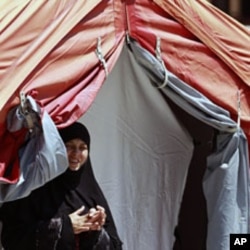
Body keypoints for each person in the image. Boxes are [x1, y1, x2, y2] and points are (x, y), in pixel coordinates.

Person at [0, 122, 123, 250]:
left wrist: (95, 230)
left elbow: (115, 246)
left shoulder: (91, 193)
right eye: (69, 146)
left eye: (82, 147)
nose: (76, 153)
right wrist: (64, 227)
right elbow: (12, 238)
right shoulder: (33, 189)